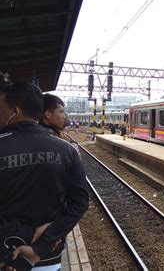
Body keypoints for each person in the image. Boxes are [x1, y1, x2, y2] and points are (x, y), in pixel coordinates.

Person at [0, 83, 89, 270]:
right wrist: (41, 245)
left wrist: (21, 236)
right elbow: (79, 203)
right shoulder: (66, 150)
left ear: (14, 112)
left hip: (5, 254)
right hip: (48, 256)